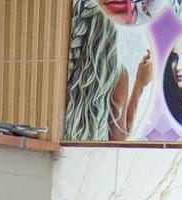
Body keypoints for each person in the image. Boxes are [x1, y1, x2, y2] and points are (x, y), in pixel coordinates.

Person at [64, 0, 153, 142]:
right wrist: (140, 84)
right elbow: (119, 138)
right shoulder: (116, 74)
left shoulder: (61, 68)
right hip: (93, 153)